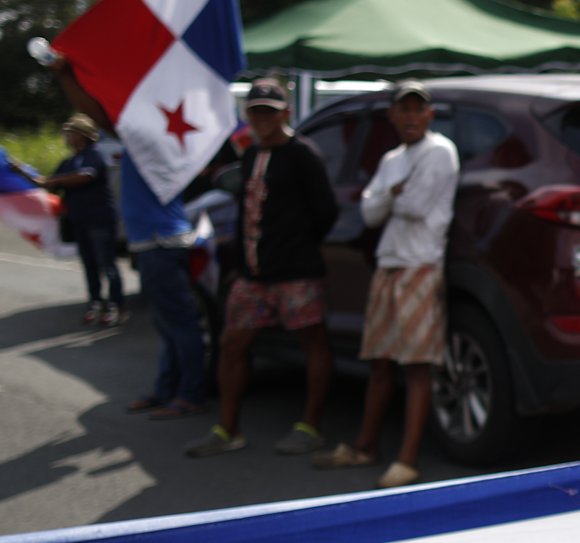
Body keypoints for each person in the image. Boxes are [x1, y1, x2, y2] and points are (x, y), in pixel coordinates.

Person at [312, 80, 457, 489]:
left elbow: (411, 205)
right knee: (379, 360)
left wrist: (390, 195)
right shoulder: (394, 158)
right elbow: (371, 211)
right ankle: (366, 444)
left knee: (416, 365)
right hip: (389, 265)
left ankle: (407, 459)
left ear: (430, 114)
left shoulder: (440, 151)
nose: (411, 116)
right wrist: (393, 193)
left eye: (418, 109)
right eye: (403, 109)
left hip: (419, 266)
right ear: (392, 116)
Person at [187, 78, 339, 458]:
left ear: (286, 114)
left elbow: (326, 211)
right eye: (256, 111)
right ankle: (228, 428)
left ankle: (310, 425)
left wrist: (298, 247)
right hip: (253, 276)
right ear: (248, 115)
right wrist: (243, 263)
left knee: (314, 344)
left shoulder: (304, 155)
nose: (262, 118)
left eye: (270, 111)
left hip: (297, 272)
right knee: (232, 344)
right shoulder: (252, 154)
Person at [119, 132, 209, 421]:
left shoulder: (148, 140)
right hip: (157, 242)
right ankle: (167, 388)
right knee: (168, 324)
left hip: (159, 243)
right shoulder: (151, 141)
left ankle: (190, 394)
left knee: (180, 324)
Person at [40, 114, 124, 325]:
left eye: (70, 132)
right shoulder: (68, 161)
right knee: (89, 265)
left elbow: (85, 176)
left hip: (100, 218)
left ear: (81, 136)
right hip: (79, 220)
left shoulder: (94, 155)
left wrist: (54, 180)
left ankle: (116, 305)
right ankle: (96, 302)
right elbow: (48, 184)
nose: (66, 136)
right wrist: (19, 172)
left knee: (107, 264)